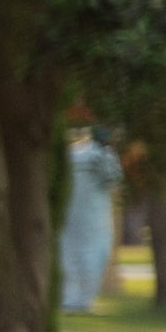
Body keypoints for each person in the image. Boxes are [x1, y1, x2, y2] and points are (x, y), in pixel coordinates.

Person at [61, 127, 121, 315]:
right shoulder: (103, 156)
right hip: (94, 216)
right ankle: (82, 299)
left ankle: (71, 297)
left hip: (72, 213)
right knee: (93, 253)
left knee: (71, 253)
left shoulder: (72, 154)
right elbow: (114, 180)